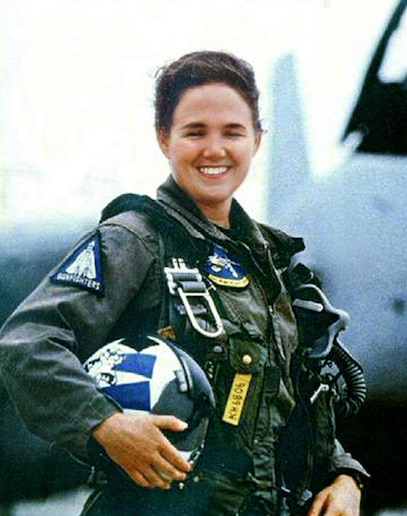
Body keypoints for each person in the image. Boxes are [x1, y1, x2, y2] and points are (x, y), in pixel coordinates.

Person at [0, 50, 367, 515]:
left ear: (256, 140)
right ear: (163, 138)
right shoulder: (134, 240)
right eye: (195, 132)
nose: (214, 150)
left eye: (232, 132)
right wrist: (105, 424)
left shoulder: (272, 265)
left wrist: (343, 475)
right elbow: (27, 344)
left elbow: (287, 403)